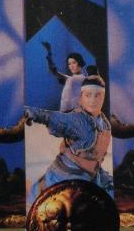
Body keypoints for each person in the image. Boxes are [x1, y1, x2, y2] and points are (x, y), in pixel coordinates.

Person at [25, 75, 113, 204]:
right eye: (88, 95)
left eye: (97, 95)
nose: (93, 100)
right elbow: (52, 117)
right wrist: (33, 113)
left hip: (90, 177)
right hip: (62, 180)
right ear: (81, 98)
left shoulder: (105, 124)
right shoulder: (77, 120)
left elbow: (95, 159)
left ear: (103, 97)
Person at [41, 42, 87, 112]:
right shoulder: (69, 79)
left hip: (75, 113)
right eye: (69, 64)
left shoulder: (84, 79)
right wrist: (49, 54)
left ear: (80, 62)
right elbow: (54, 71)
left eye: (74, 63)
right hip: (64, 113)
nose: (71, 66)